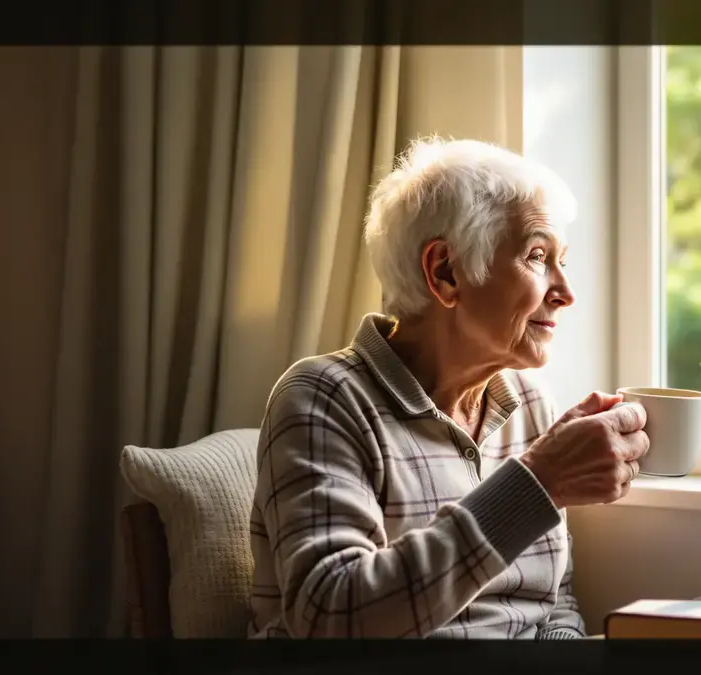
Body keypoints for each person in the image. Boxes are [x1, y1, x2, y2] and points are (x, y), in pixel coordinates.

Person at [247, 137, 650, 639]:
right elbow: (332, 614)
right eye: (538, 256)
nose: (566, 292)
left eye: (561, 260)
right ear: (445, 272)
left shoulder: (528, 402)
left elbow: (553, 605)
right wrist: (539, 483)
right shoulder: (323, 399)